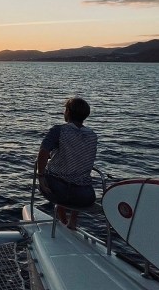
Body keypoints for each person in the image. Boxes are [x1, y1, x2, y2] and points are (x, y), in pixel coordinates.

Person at [36, 97, 97, 230]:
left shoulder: (58, 130)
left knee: (54, 177)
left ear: (68, 112)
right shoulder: (92, 135)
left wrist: (40, 176)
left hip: (58, 191)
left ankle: (63, 220)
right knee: (78, 175)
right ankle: (73, 221)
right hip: (85, 196)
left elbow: (43, 152)